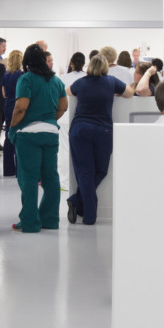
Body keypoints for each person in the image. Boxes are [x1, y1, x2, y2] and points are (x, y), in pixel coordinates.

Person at [65, 53, 136, 224]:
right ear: (105, 67)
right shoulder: (111, 82)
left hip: (80, 129)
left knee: (84, 172)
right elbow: (130, 93)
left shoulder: (81, 82)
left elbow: (68, 91)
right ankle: (84, 210)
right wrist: (114, 94)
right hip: (103, 131)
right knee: (101, 170)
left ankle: (80, 206)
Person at [8, 44, 67, 232]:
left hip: (28, 135)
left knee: (29, 179)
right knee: (51, 178)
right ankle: (49, 220)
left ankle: (30, 222)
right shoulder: (56, 81)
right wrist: (49, 120)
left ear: (26, 62)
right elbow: (63, 106)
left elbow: (21, 107)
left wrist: (13, 128)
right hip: (51, 134)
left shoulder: (26, 79)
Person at [0, 49, 23, 178]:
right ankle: (20, 170)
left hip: (8, 106)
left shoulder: (5, 75)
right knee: (19, 137)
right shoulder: (22, 75)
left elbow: (4, 94)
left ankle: (8, 170)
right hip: (19, 106)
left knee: (8, 136)